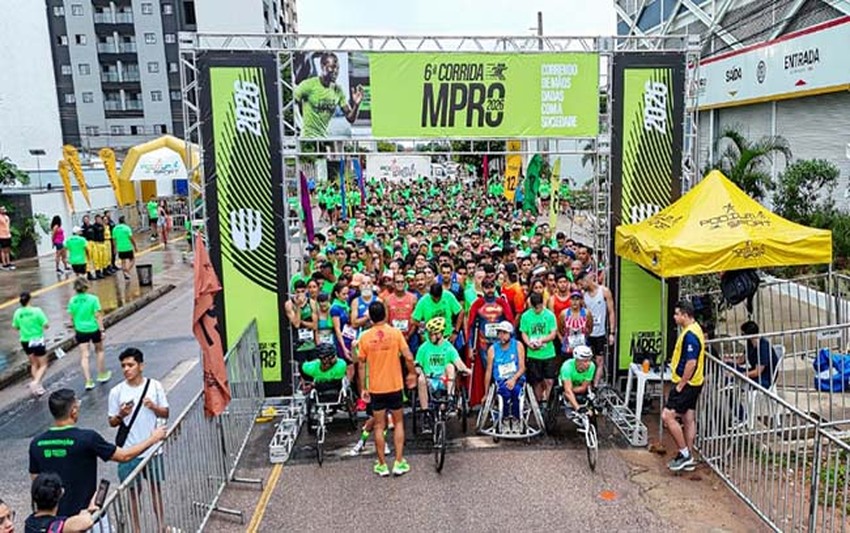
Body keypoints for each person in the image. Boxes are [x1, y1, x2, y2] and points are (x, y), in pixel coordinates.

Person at [29, 388, 166, 516]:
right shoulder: (87, 438)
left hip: (55, 521)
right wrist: (152, 439)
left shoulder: (36, 444)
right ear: (73, 411)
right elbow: (124, 456)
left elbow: (37, 483)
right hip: (87, 516)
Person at [107, 348, 169, 530]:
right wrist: (121, 414)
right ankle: (136, 529)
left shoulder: (155, 386)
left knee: (155, 489)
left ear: (141, 366)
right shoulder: (116, 392)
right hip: (129, 451)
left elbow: (166, 412)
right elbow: (112, 421)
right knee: (133, 493)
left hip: (153, 450)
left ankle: (161, 526)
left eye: (130, 365)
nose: (127, 369)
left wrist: (153, 407)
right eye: (123, 366)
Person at [357, 301, 417, 477]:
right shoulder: (396, 333)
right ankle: (399, 461)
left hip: (376, 388)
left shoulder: (365, 337)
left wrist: (364, 388)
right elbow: (408, 356)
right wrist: (411, 374)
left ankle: (382, 464)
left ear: (371, 316)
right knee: (398, 422)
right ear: (385, 314)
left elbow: (361, 365)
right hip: (395, 385)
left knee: (378, 425)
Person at [662, 300, 705, 472]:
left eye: (677, 314)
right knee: (688, 418)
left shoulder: (690, 336)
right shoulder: (694, 329)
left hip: (687, 384)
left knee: (667, 416)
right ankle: (689, 455)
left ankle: (684, 453)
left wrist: (681, 384)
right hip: (695, 383)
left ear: (685, 315)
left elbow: (691, 363)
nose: (674, 317)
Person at [294, 52, 364, 138]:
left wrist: (356, 105)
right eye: (332, 67)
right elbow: (292, 102)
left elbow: (350, 118)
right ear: (322, 67)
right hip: (308, 139)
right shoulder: (308, 85)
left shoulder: (338, 90)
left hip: (324, 139)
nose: (335, 71)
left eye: (337, 68)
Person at [414, 317, 470, 422]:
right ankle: (425, 413)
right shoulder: (424, 347)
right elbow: (417, 365)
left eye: (433, 334)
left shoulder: (449, 347)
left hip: (444, 380)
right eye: (429, 334)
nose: (430, 336)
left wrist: (466, 369)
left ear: (440, 334)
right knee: (420, 378)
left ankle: (450, 399)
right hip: (429, 380)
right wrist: (420, 372)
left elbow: (458, 362)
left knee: (450, 366)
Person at [68, 278, 110, 390]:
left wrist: (75, 328)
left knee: (84, 355)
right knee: (99, 350)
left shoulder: (72, 301)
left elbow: (71, 318)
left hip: (81, 331)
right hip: (93, 328)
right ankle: (101, 374)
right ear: (86, 287)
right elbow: (97, 315)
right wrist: (102, 330)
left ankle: (88, 381)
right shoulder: (93, 299)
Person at [483, 321, 526, 427]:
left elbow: (522, 368)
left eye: (504, 333)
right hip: (501, 380)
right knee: (504, 392)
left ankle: (516, 418)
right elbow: (488, 372)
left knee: (516, 392)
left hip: (516, 378)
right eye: (499, 333)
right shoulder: (492, 349)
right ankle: (505, 417)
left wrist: (513, 379)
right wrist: (486, 393)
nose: (501, 335)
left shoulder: (518, 345)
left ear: (510, 334)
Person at [578, 270, 616, 387]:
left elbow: (611, 312)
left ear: (587, 280)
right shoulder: (583, 295)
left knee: (600, 361)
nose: (581, 286)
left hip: (600, 333)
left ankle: (595, 385)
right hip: (587, 334)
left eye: (582, 283)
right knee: (586, 360)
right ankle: (586, 384)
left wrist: (612, 333)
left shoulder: (604, 291)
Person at [24, 473, 97, 533]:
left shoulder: (29, 523)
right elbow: (86, 522)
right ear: (61, 494)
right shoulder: (56, 525)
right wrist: (89, 511)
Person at [519, 292, 558, 403]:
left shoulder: (549, 315)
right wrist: (529, 344)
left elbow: (553, 333)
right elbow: (524, 333)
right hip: (533, 354)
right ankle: (539, 401)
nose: (538, 310)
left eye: (539, 307)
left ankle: (548, 401)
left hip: (548, 353)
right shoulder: (526, 316)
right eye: (535, 308)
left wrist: (542, 340)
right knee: (537, 381)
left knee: (549, 380)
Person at [12, 292, 49, 397]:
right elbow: (46, 325)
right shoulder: (37, 311)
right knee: (43, 364)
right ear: (29, 300)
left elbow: (15, 327)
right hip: (37, 339)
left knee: (33, 363)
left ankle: (38, 387)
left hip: (25, 340)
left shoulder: (17, 312)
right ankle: (36, 382)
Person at [285, 280, 318, 364]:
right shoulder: (289, 304)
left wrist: (302, 322)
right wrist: (298, 307)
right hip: (298, 344)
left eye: (302, 291)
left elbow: (315, 326)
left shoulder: (312, 303)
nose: (300, 294)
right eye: (298, 292)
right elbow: (296, 324)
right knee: (301, 370)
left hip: (311, 344)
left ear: (306, 291)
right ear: (294, 291)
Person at [560, 345, 596, 412]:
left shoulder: (592, 366)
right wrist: (578, 408)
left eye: (589, 360)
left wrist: (569, 391)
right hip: (567, 384)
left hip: (577, 387)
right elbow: (567, 391)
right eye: (585, 361)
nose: (588, 364)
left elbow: (583, 388)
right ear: (577, 360)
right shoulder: (566, 367)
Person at [111, 216, 137, 281]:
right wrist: (135, 246)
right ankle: (127, 270)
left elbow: (114, 240)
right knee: (132, 259)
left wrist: (115, 248)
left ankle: (125, 273)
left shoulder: (115, 229)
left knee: (123, 261)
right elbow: (131, 238)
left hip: (120, 248)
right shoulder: (127, 228)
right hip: (127, 247)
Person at [0, 205, 13, 270]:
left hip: (8, 235)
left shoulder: (7, 217)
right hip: (2, 235)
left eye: (4, 209)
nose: (4, 210)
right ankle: (4, 263)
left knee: (8, 249)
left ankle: (8, 262)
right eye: (2, 209)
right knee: (3, 249)